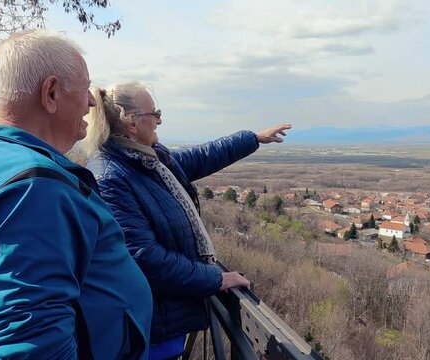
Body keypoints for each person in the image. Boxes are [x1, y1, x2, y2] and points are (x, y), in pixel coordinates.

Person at [0, 31, 152, 359]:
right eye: (85, 88)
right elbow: (33, 344)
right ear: (51, 93)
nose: (90, 101)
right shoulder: (35, 187)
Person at [83, 81, 291, 359]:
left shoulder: (147, 161)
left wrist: (253, 138)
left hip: (165, 317)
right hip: (152, 327)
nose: (160, 120)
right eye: (154, 114)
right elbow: (145, 258)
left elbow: (201, 157)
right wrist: (213, 278)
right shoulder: (112, 177)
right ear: (131, 123)